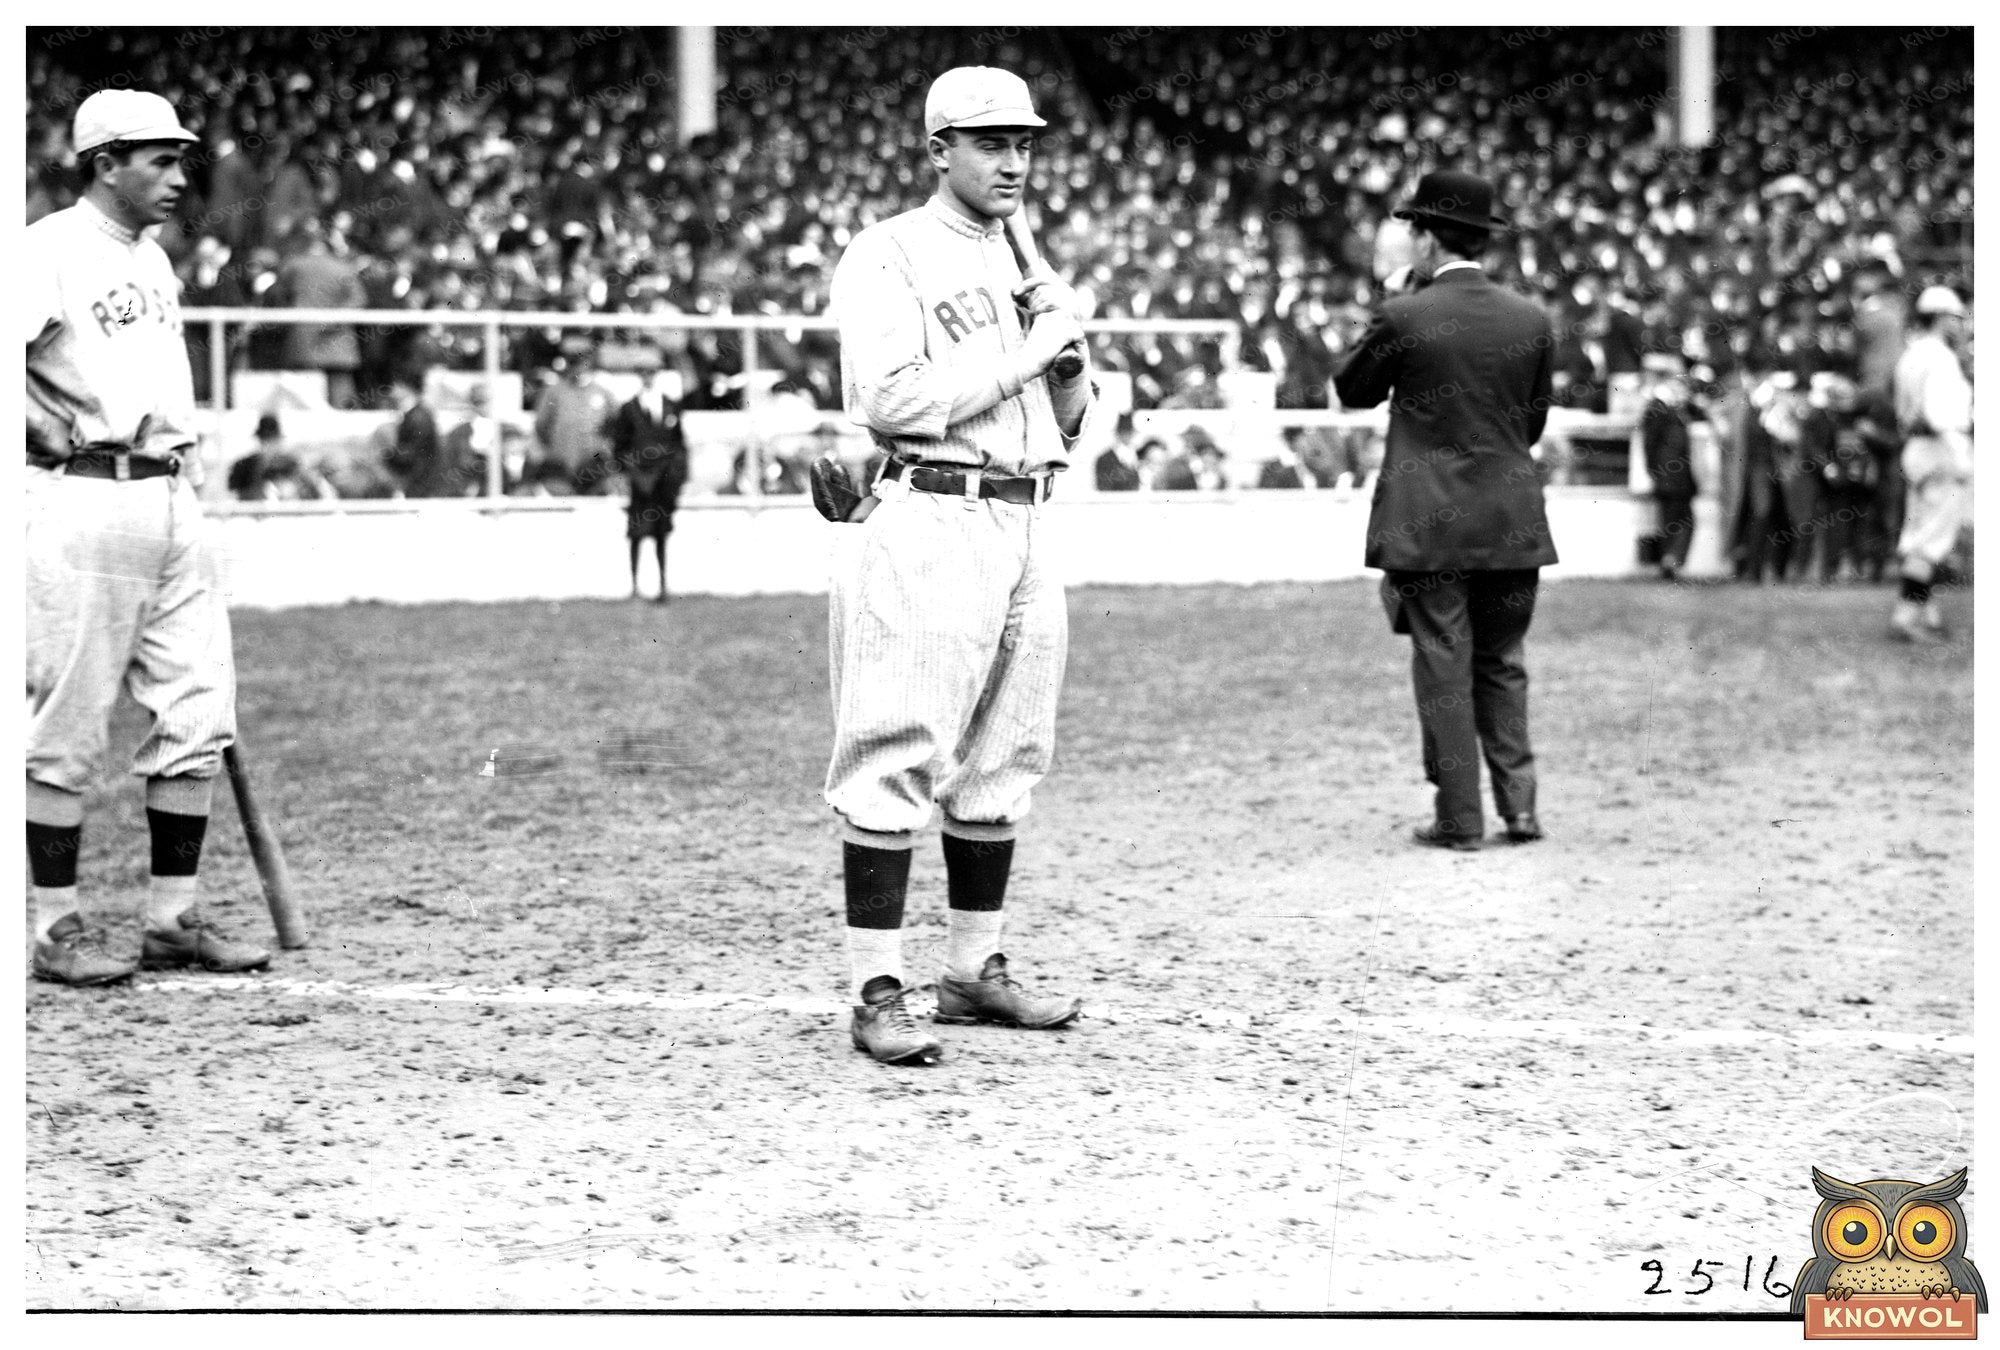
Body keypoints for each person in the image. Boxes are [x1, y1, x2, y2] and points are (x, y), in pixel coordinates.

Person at [824, 66, 1094, 1065]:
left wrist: (1068, 360)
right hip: (933, 509)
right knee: (896, 747)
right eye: (990, 143)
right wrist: (1029, 352)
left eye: (1023, 144)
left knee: (1006, 756)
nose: (1012, 163)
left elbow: (1066, 423)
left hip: (1026, 513)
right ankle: (875, 989)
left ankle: (972, 971)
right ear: (939, 150)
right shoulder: (888, 249)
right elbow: (891, 398)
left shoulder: (1024, 258)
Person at [25, 90, 269, 986]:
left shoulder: (154, 258)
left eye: (179, 160)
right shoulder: (45, 250)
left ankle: (172, 918)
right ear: (105, 164)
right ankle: (55, 926)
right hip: (83, 492)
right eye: (160, 161)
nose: (178, 177)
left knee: (198, 707)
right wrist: (30, 424)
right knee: (67, 720)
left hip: (169, 491)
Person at [1333, 169, 1558, 851]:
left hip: (1428, 521)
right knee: (1502, 661)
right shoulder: (1530, 317)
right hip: (1511, 519)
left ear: (1428, 239)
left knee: (1443, 666)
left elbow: (1352, 389)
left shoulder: (1406, 314)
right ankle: (1520, 809)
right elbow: (1532, 426)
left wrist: (1390, 303)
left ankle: (1460, 819)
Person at [1888, 286, 1973, 643]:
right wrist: (1962, 450)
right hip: (1940, 449)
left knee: (1918, 535)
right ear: (1940, 317)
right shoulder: (1940, 357)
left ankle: (1926, 612)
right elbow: (1941, 415)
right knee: (1932, 540)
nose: (1960, 323)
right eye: (1956, 317)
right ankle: (1907, 616)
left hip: (1916, 447)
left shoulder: (1911, 353)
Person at [608, 346, 690, 602]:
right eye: (643, 372)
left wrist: (675, 476)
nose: (647, 376)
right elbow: (620, 447)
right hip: (640, 479)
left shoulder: (670, 406)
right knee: (637, 532)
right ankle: (634, 586)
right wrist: (633, 473)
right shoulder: (629, 408)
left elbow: (679, 444)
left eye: (651, 371)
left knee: (661, 532)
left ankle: (663, 585)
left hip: (663, 481)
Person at [532, 337, 617, 494]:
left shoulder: (603, 393)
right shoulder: (553, 393)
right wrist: (556, 449)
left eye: (581, 359)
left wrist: (600, 448)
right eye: (572, 360)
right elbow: (541, 426)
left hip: (593, 466)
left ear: (589, 360)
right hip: (561, 465)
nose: (577, 366)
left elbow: (614, 426)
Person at [1640, 373, 1698, 580]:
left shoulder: (1670, 409)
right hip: (1671, 477)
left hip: (1675, 477)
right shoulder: (1658, 409)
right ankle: (1670, 561)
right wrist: (1655, 472)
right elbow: (1650, 444)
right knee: (1677, 521)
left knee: (1674, 521)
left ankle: (1670, 561)